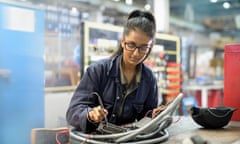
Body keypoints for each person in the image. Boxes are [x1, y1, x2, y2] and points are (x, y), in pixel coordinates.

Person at [66, 9, 163, 133]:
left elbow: (146, 117)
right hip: (96, 139)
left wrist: (154, 115)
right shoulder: (98, 71)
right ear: (123, 41)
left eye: (143, 48)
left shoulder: (149, 79)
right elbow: (73, 111)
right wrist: (90, 115)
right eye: (131, 45)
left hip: (127, 140)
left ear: (150, 46)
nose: (136, 53)